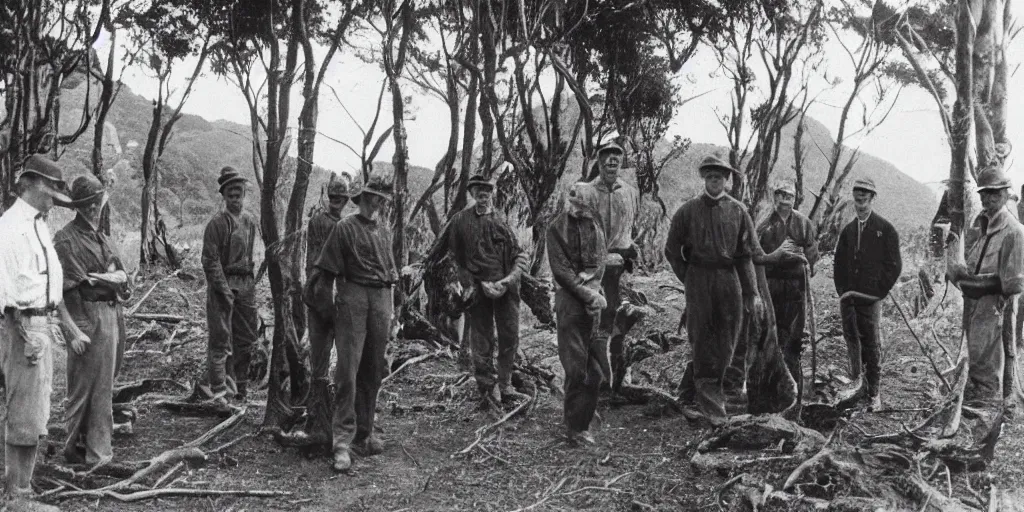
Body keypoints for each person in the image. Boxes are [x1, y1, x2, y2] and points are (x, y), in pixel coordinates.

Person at [0, 154, 89, 510]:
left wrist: (57, 327)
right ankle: (16, 495)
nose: (54, 195)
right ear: (32, 183)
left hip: (42, 323)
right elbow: (6, 291)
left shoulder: (38, 224)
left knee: (37, 412)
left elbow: (49, 284)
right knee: (22, 412)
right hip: (22, 326)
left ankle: (24, 489)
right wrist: (24, 337)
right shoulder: (9, 227)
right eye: (51, 187)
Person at [663, 156, 764, 423]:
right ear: (704, 179)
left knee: (728, 338)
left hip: (729, 278)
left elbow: (745, 255)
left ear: (726, 180)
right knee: (701, 337)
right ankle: (714, 411)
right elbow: (672, 250)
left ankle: (694, 392)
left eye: (719, 177)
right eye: (710, 176)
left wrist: (751, 292)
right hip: (699, 277)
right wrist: (689, 279)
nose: (714, 181)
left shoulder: (738, 211)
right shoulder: (688, 211)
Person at [313, 175, 398, 472]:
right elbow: (325, 275)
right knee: (348, 369)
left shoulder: (384, 231)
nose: (378, 202)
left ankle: (365, 432)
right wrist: (327, 313)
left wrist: (393, 310)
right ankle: (342, 442)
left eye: (383, 198)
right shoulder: (344, 228)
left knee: (373, 369)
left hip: (381, 298)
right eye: (374, 196)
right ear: (362, 197)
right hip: (353, 295)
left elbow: (391, 274)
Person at [430, 171, 530, 410]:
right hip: (477, 288)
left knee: (509, 335)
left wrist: (508, 281)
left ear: (491, 194)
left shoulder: (500, 221)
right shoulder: (460, 221)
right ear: (472, 194)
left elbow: (517, 254)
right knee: (481, 338)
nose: (483, 196)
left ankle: (505, 384)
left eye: (487, 191)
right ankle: (487, 387)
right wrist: (470, 283)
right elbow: (452, 256)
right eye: (478, 191)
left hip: (505, 288)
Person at [54, 175, 130, 466]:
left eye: (97, 203)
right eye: (86, 204)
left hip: (112, 313)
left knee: (104, 384)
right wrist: (75, 329)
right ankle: (92, 453)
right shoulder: (65, 239)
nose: (93, 209)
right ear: (77, 207)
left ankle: (90, 447)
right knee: (85, 386)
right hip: (87, 314)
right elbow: (69, 287)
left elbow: (122, 277)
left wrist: (109, 280)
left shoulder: (103, 238)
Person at [947, 167, 1024, 418]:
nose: (987, 198)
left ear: (1004, 194)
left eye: (993, 193)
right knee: (975, 356)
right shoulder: (982, 224)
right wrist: (961, 273)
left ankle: (988, 417)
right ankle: (978, 411)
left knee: (988, 365)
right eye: (984, 194)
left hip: (994, 305)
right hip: (974, 303)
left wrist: (973, 282)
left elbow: (1012, 283)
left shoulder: (1013, 231)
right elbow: (974, 262)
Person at [576, 140, 640, 392]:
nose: (612, 160)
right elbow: (579, 233)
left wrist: (630, 251)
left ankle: (619, 377)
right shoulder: (588, 192)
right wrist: (599, 259)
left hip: (622, 266)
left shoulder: (631, 191)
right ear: (599, 161)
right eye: (606, 156)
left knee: (621, 319)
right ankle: (594, 379)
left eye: (617, 156)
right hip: (594, 266)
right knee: (594, 318)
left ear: (622, 161)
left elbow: (630, 227)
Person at [833, 177, 902, 411]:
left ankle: (874, 394)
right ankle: (857, 388)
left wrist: (878, 291)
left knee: (871, 344)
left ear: (873, 198)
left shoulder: (885, 229)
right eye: (857, 194)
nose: (860, 198)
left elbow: (894, 266)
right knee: (852, 341)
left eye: (865, 194)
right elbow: (838, 265)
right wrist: (843, 293)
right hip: (849, 299)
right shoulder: (848, 231)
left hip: (870, 300)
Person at [548, 183, 607, 445]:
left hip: (593, 301)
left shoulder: (594, 225)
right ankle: (575, 427)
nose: (580, 209)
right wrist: (587, 294)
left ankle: (581, 417)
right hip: (570, 302)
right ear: (568, 201)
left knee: (595, 368)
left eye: (585, 206)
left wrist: (595, 292)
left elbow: (600, 261)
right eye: (576, 204)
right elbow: (562, 271)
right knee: (576, 367)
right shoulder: (556, 229)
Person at [198, 166, 260, 406]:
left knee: (245, 338)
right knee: (221, 339)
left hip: (245, 284)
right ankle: (219, 392)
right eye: (231, 195)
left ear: (244, 194)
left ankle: (240, 388)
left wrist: (249, 286)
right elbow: (210, 261)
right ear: (223, 196)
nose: (235, 199)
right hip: (223, 285)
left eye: (239, 194)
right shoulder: (217, 224)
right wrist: (223, 290)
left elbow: (250, 256)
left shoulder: (249, 222)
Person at [756, 181, 818, 402]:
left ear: (795, 199)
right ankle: (767, 390)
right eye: (781, 196)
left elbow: (812, 252)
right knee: (767, 335)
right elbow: (755, 255)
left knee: (793, 338)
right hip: (770, 286)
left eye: (789, 196)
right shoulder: (763, 223)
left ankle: (794, 393)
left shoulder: (803, 223)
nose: (785, 201)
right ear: (774, 198)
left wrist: (808, 267)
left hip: (795, 287)